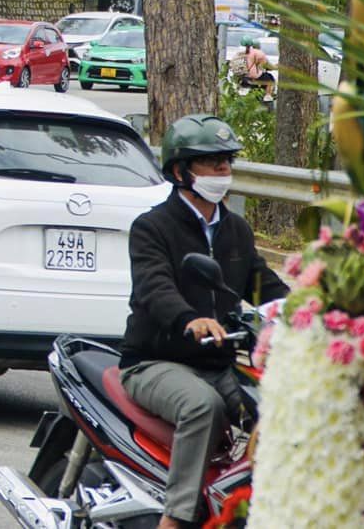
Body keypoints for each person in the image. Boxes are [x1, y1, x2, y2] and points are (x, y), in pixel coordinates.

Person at [118, 114, 287, 529]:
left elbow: (267, 287)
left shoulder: (236, 231)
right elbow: (155, 289)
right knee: (201, 407)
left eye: (227, 162)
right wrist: (190, 319)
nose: (223, 172)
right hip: (155, 362)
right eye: (213, 163)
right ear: (181, 171)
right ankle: (175, 517)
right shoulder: (152, 228)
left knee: (280, 409)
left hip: (219, 364)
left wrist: (314, 312)